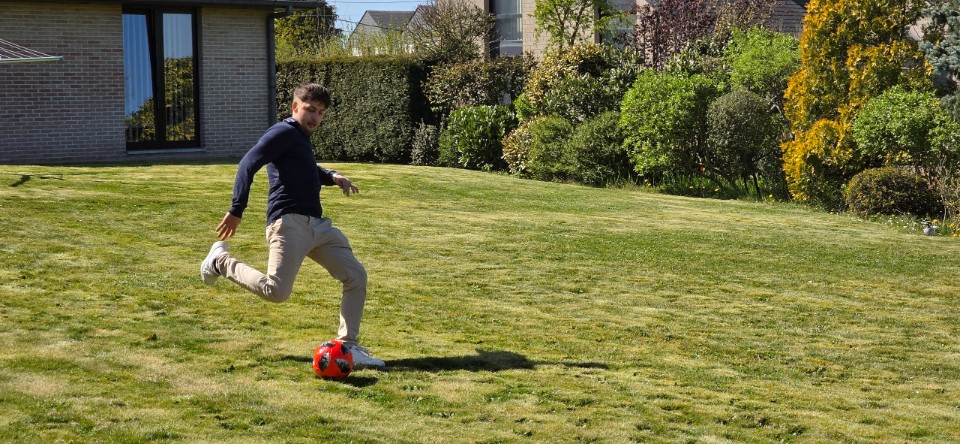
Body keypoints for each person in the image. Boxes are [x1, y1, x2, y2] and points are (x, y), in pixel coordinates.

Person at [200, 83, 384, 369]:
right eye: (310, 109)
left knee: (356, 276)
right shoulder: (283, 132)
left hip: (318, 227)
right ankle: (220, 261)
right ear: (295, 107)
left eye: (320, 112)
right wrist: (237, 209)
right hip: (289, 223)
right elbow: (248, 163)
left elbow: (306, 168)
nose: (315, 117)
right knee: (276, 291)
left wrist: (332, 176)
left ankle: (348, 347)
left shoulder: (299, 138)